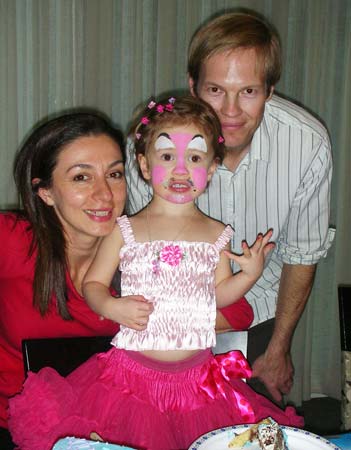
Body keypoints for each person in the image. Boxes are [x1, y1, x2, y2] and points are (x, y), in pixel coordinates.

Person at [9, 96, 303, 450]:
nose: (180, 170)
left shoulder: (214, 233)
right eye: (167, 156)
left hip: (197, 384)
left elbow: (221, 298)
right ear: (145, 166)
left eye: (194, 158)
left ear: (210, 169)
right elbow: (94, 285)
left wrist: (248, 276)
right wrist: (111, 306)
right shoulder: (124, 231)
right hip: (128, 381)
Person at [126, 11, 334, 403]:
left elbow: (302, 255)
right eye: (216, 90)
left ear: (270, 90)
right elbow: (143, 259)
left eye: (249, 91)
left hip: (261, 313)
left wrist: (278, 347)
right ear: (193, 86)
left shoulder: (308, 144)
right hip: (169, 317)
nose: (231, 111)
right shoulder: (152, 145)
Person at [0, 112, 128, 450]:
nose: (104, 195)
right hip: (9, 426)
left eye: (114, 174)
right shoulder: (14, 242)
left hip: (103, 431)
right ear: (45, 192)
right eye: (81, 178)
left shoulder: (141, 257)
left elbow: (234, 316)